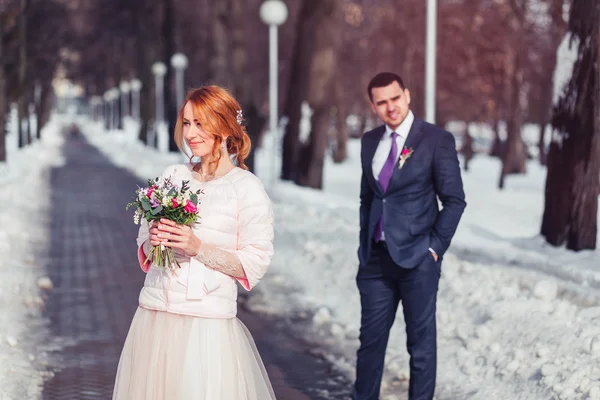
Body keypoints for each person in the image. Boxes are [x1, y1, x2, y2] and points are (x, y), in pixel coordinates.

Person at [113, 86, 276, 400]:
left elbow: (254, 263)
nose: (191, 132)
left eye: (201, 123)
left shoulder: (247, 188)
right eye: (186, 122)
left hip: (207, 325)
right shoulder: (173, 176)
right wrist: (154, 239)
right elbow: (145, 243)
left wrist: (197, 247)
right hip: (155, 316)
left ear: (225, 127)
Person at [353, 72, 466, 400]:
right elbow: (369, 197)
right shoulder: (369, 142)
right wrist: (364, 244)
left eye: (395, 98)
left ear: (407, 95)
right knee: (370, 346)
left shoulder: (435, 139)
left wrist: (435, 247)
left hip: (418, 259)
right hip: (376, 261)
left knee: (421, 348)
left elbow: (455, 200)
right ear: (373, 106)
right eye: (382, 102)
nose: (390, 107)